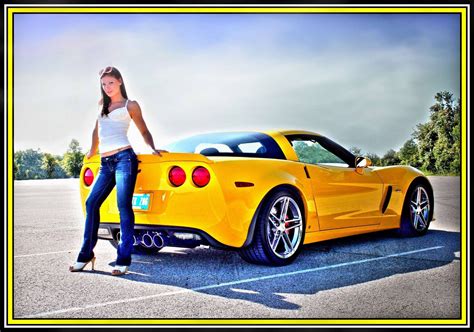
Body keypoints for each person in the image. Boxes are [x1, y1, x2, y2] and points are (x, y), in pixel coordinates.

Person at [69, 66, 167, 276]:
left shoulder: (130, 105)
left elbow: (143, 129)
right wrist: (92, 151)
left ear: (120, 81)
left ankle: (123, 259)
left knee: (124, 206)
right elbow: (97, 130)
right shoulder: (101, 105)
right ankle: (85, 254)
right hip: (105, 163)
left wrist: (151, 147)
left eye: (111, 83)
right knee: (91, 203)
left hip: (124, 159)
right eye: (104, 84)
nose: (107, 87)